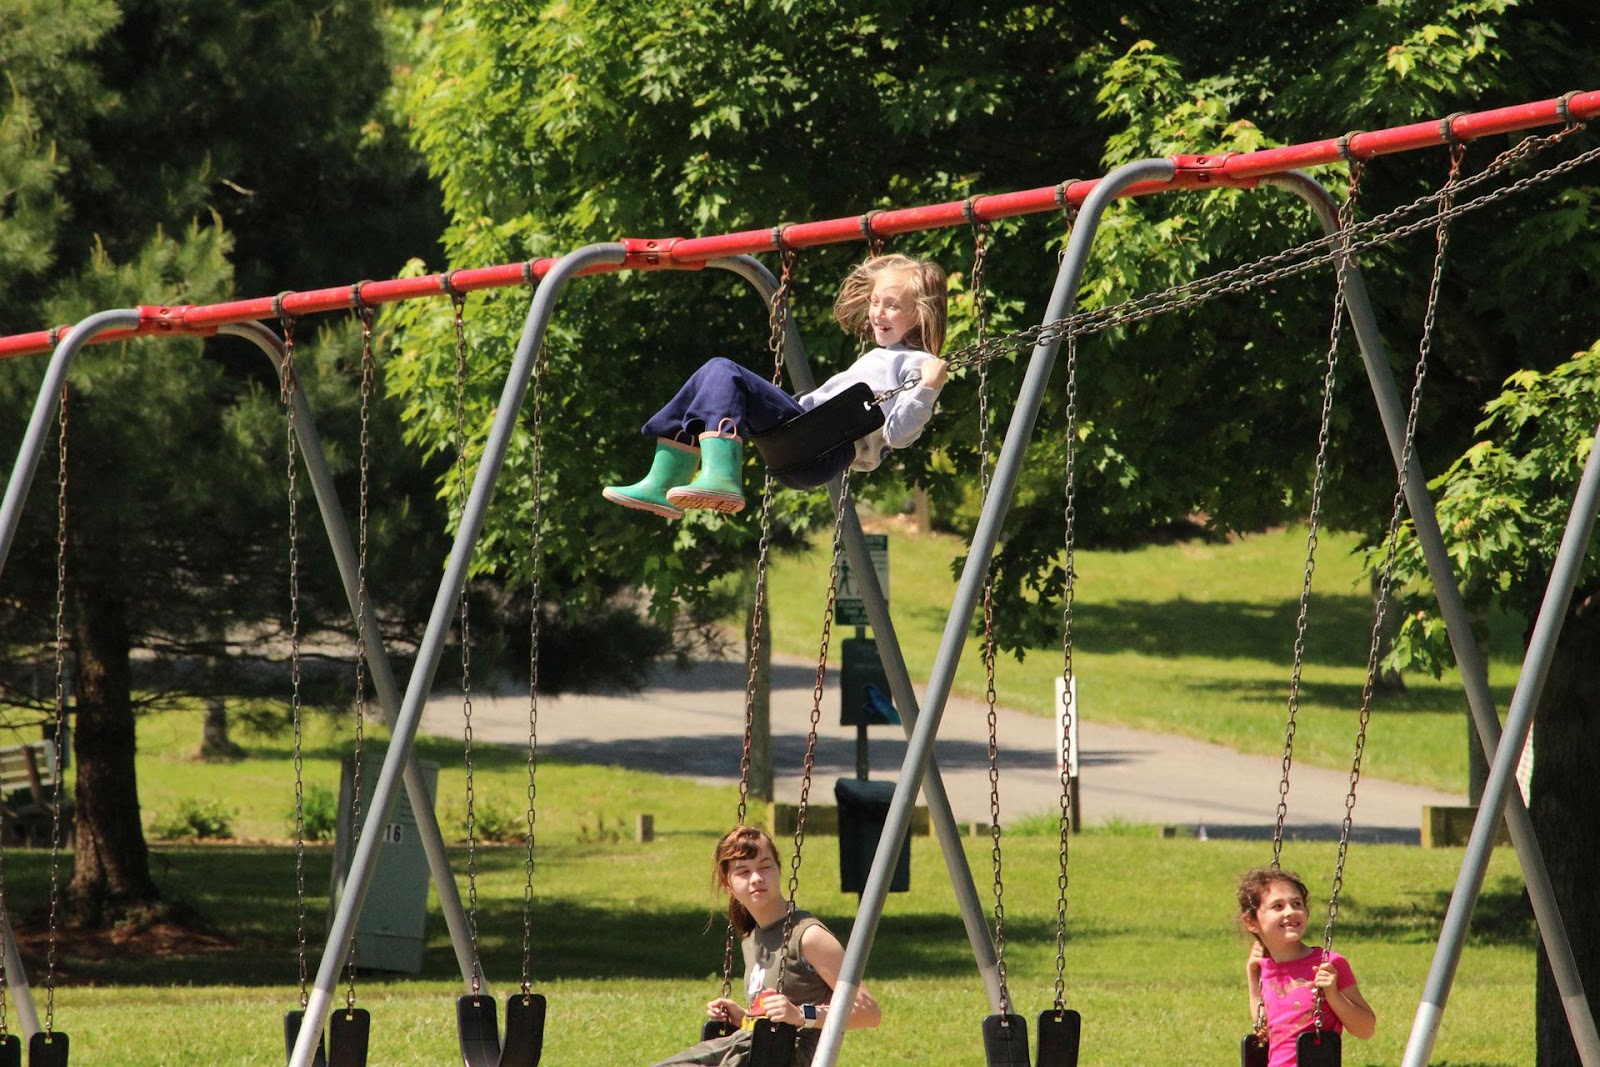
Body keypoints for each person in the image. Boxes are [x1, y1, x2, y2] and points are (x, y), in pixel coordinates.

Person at [604, 253, 949, 519]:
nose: (878, 313)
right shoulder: (883, 354)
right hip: (801, 438)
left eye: (892, 306)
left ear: (920, 313)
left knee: (725, 371)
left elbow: (901, 434)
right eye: (875, 302)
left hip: (818, 443)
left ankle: (722, 478)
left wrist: (928, 389)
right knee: (711, 376)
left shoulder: (918, 365)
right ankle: (662, 481)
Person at [649, 826, 881, 1067]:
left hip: (789, 1057)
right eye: (743, 871)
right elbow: (773, 1018)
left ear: (779, 870)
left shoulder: (809, 936)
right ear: (727, 883)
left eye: (765, 866)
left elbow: (869, 1012)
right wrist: (744, 1017)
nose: (757, 878)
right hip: (753, 1048)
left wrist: (801, 1015)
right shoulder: (752, 938)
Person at [1239, 866, 1376, 1066]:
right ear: (1251, 922)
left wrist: (1333, 995)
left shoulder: (1329, 964)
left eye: (1297, 904)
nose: (1291, 912)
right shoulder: (1265, 968)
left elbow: (1366, 1029)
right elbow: (1264, 1029)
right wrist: (1253, 975)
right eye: (1278, 906)